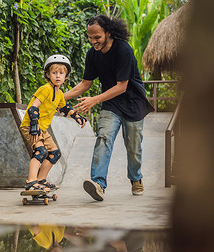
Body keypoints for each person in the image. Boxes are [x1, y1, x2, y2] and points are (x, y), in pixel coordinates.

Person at [64, 15, 154, 201]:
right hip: (111, 104)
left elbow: (122, 86)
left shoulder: (124, 50)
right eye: (89, 37)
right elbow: (85, 84)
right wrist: (58, 97)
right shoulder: (92, 54)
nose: (93, 41)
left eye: (97, 37)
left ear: (108, 32)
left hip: (133, 102)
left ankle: (136, 178)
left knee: (133, 146)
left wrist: (94, 100)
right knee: (103, 138)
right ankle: (98, 184)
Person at [20, 54, 86, 191]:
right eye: (54, 72)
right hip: (31, 125)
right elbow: (33, 108)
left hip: (42, 129)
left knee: (54, 153)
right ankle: (31, 182)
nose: (58, 76)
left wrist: (77, 117)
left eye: (61, 73)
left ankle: (41, 180)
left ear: (66, 76)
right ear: (48, 74)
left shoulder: (59, 93)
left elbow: (64, 108)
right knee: (40, 151)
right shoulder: (45, 89)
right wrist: (34, 126)